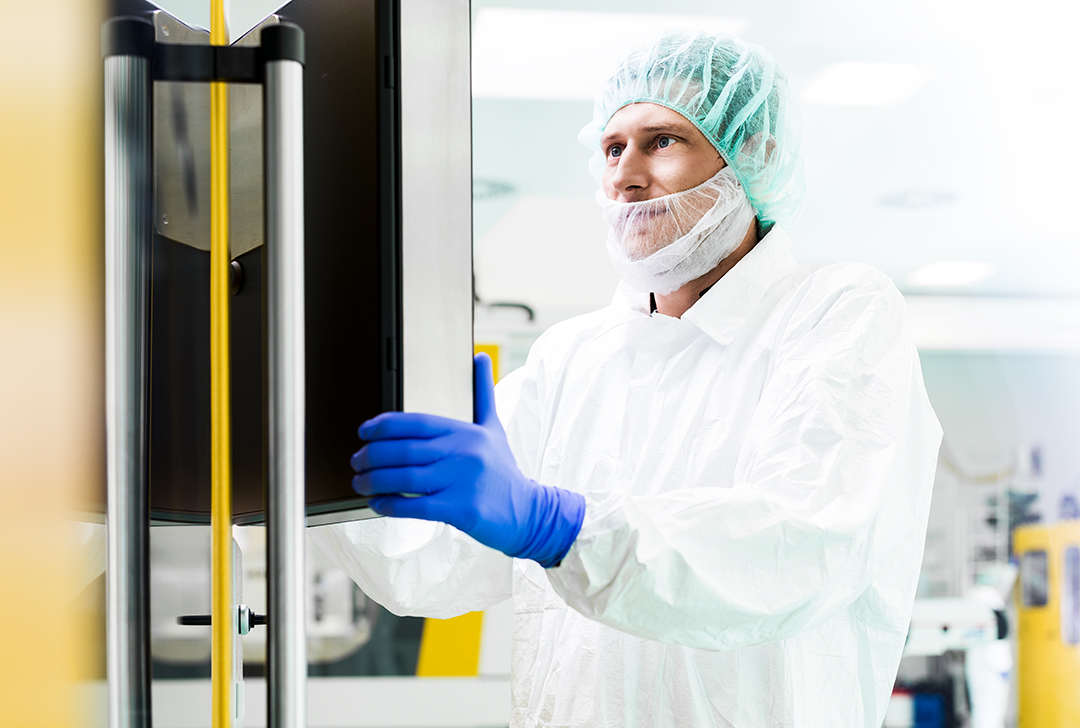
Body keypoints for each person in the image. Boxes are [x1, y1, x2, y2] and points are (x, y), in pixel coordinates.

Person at [312, 30, 941, 727]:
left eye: (661, 141)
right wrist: (301, 434)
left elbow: (792, 548)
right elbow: (426, 564)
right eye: (613, 148)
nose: (626, 174)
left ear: (752, 154)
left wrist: (556, 527)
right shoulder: (571, 358)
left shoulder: (837, 313)